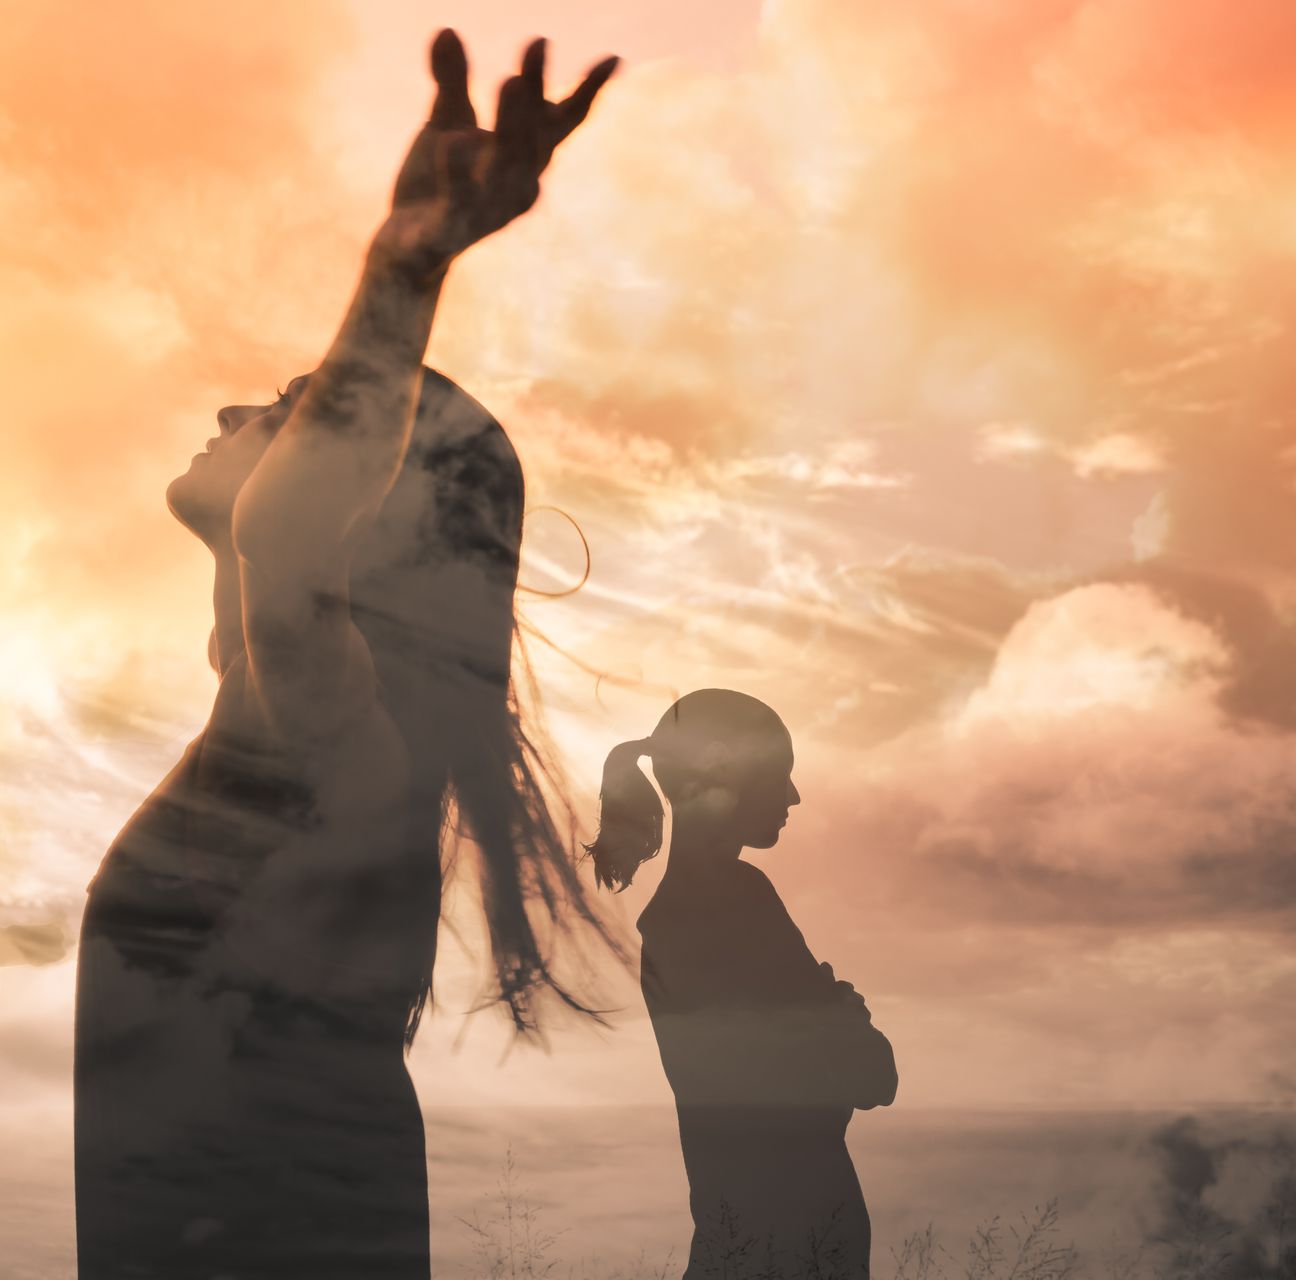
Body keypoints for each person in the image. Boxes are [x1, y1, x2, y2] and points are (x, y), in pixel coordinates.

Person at [73, 30, 621, 1279]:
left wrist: (407, 263)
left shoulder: (335, 741)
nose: (232, 412)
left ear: (379, 503)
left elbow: (288, 529)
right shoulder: (280, 737)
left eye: (297, 407)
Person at [587, 690, 897, 1280]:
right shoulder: (731, 905)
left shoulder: (696, 910)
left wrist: (831, 1026)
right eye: (781, 774)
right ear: (723, 767)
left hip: (752, 1240)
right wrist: (844, 1017)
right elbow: (872, 1075)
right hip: (779, 1245)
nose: (794, 795)